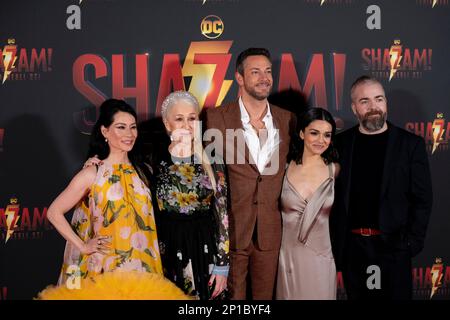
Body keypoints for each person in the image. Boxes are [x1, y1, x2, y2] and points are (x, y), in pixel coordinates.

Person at [205, 48, 296, 300]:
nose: (264, 77)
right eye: (255, 72)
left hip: (270, 232)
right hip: (232, 232)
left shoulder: (287, 120)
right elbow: (199, 166)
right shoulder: (215, 118)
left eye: (268, 71)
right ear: (240, 77)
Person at [330, 75, 433, 299]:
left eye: (379, 99)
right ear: (354, 107)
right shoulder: (340, 144)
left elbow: (423, 199)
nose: (373, 107)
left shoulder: (409, 144)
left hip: (393, 248)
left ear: (386, 102)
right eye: (365, 101)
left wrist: (410, 243)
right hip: (354, 248)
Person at [47, 99, 163, 286]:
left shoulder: (144, 171)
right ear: (104, 131)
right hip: (104, 272)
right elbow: (53, 212)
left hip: (144, 270)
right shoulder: (92, 173)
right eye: (121, 127)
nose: (129, 134)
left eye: (133, 127)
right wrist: (83, 246)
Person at [153, 91, 229, 300]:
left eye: (192, 118)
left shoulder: (212, 160)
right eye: (179, 119)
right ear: (167, 124)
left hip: (205, 248)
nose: (187, 125)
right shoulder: (151, 160)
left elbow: (222, 214)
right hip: (166, 251)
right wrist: (94, 163)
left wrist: (222, 264)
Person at [276, 107, 339, 300]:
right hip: (289, 258)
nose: (321, 140)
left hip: (322, 258)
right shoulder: (283, 168)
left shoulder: (335, 170)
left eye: (327, 135)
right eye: (314, 133)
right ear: (302, 133)